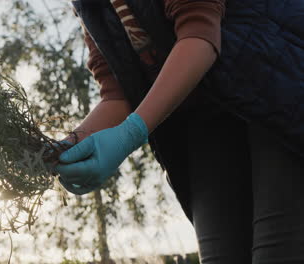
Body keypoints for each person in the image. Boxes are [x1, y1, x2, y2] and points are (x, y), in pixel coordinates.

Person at [53, 0, 304, 263]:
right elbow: (117, 93)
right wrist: (56, 151)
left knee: (278, 250)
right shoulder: (89, 5)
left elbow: (198, 32)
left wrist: (131, 132)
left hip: (279, 87)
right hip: (207, 119)